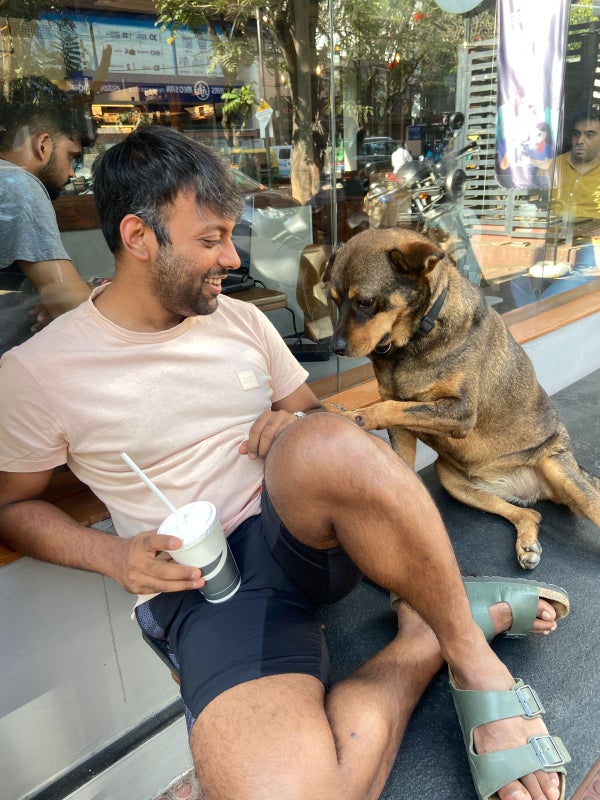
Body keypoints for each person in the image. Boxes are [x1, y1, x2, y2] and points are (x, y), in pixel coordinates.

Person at [0, 126, 569, 800]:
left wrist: (295, 426)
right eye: (211, 238)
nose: (232, 257)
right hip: (207, 585)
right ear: (138, 237)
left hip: (305, 536)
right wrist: (112, 557)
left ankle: (477, 666)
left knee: (319, 440)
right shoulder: (40, 371)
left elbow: (327, 432)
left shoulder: (239, 321)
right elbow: (13, 507)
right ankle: (433, 632)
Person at [0, 78, 92, 354]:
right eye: (71, 156)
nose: (73, 172)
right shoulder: (17, 184)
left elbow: (56, 296)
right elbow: (67, 301)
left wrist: (51, 298)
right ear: (43, 145)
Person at [511, 112, 600, 307]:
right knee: (514, 272)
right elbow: (535, 204)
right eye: (576, 134)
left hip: (589, 244)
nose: (580, 140)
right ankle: (533, 313)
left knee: (582, 275)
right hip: (552, 240)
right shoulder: (554, 166)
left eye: (589, 134)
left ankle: (537, 313)